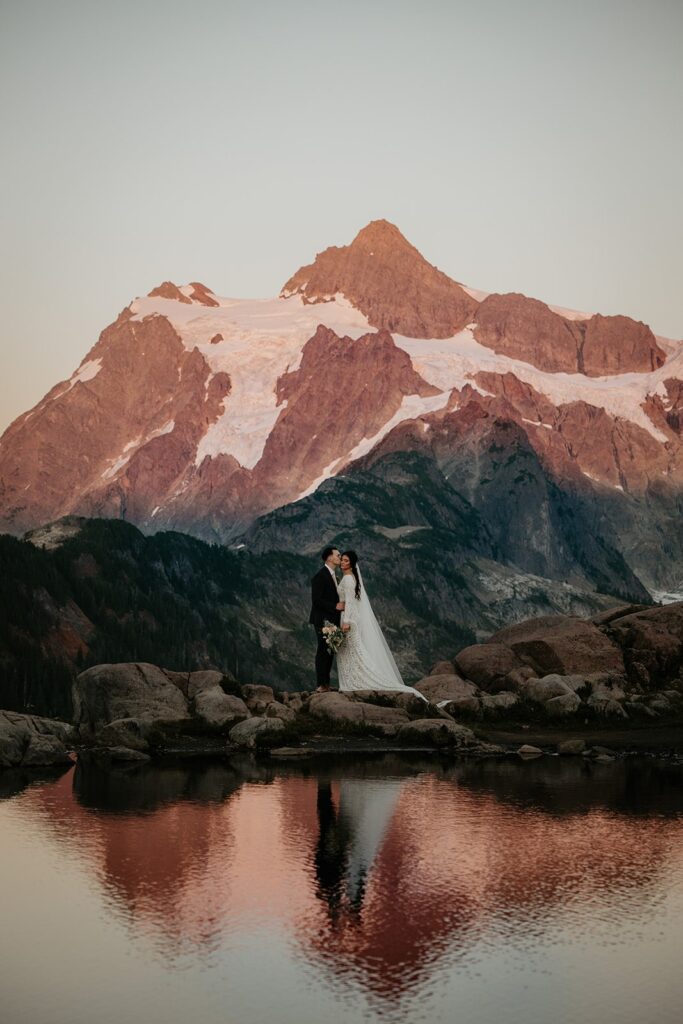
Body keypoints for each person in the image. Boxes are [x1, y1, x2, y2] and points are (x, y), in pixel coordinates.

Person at [335, 550, 426, 699]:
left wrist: (346, 621)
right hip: (349, 616)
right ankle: (352, 680)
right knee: (350, 650)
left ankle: (357, 680)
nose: (342, 563)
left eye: (345, 560)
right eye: (342, 560)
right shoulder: (349, 578)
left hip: (348, 619)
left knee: (353, 651)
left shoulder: (348, 579)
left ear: (351, 563)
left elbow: (351, 602)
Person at [309, 545, 343, 692]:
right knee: (323, 651)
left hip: (332, 620)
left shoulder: (334, 575)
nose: (340, 557)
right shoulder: (320, 576)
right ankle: (321, 685)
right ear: (329, 557)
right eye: (338, 555)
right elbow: (316, 600)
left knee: (330, 650)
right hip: (322, 620)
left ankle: (326, 684)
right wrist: (335, 606)